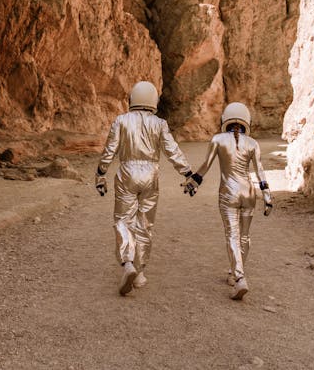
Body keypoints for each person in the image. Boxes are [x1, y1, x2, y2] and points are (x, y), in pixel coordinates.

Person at [95, 81, 194, 296]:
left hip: (127, 171)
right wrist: (187, 173)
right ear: (153, 101)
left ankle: (127, 262)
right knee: (145, 224)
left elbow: (110, 149)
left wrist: (101, 173)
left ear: (132, 100)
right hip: (151, 174)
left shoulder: (121, 120)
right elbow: (171, 149)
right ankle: (139, 273)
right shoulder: (160, 123)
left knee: (123, 220)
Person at [182, 102, 273, 300]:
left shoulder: (218, 139)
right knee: (245, 236)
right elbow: (259, 170)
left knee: (232, 234)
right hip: (249, 193)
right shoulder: (252, 143)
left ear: (226, 120)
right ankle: (234, 273)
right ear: (246, 120)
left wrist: (193, 183)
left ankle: (240, 277)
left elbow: (206, 166)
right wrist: (267, 195)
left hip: (228, 193)